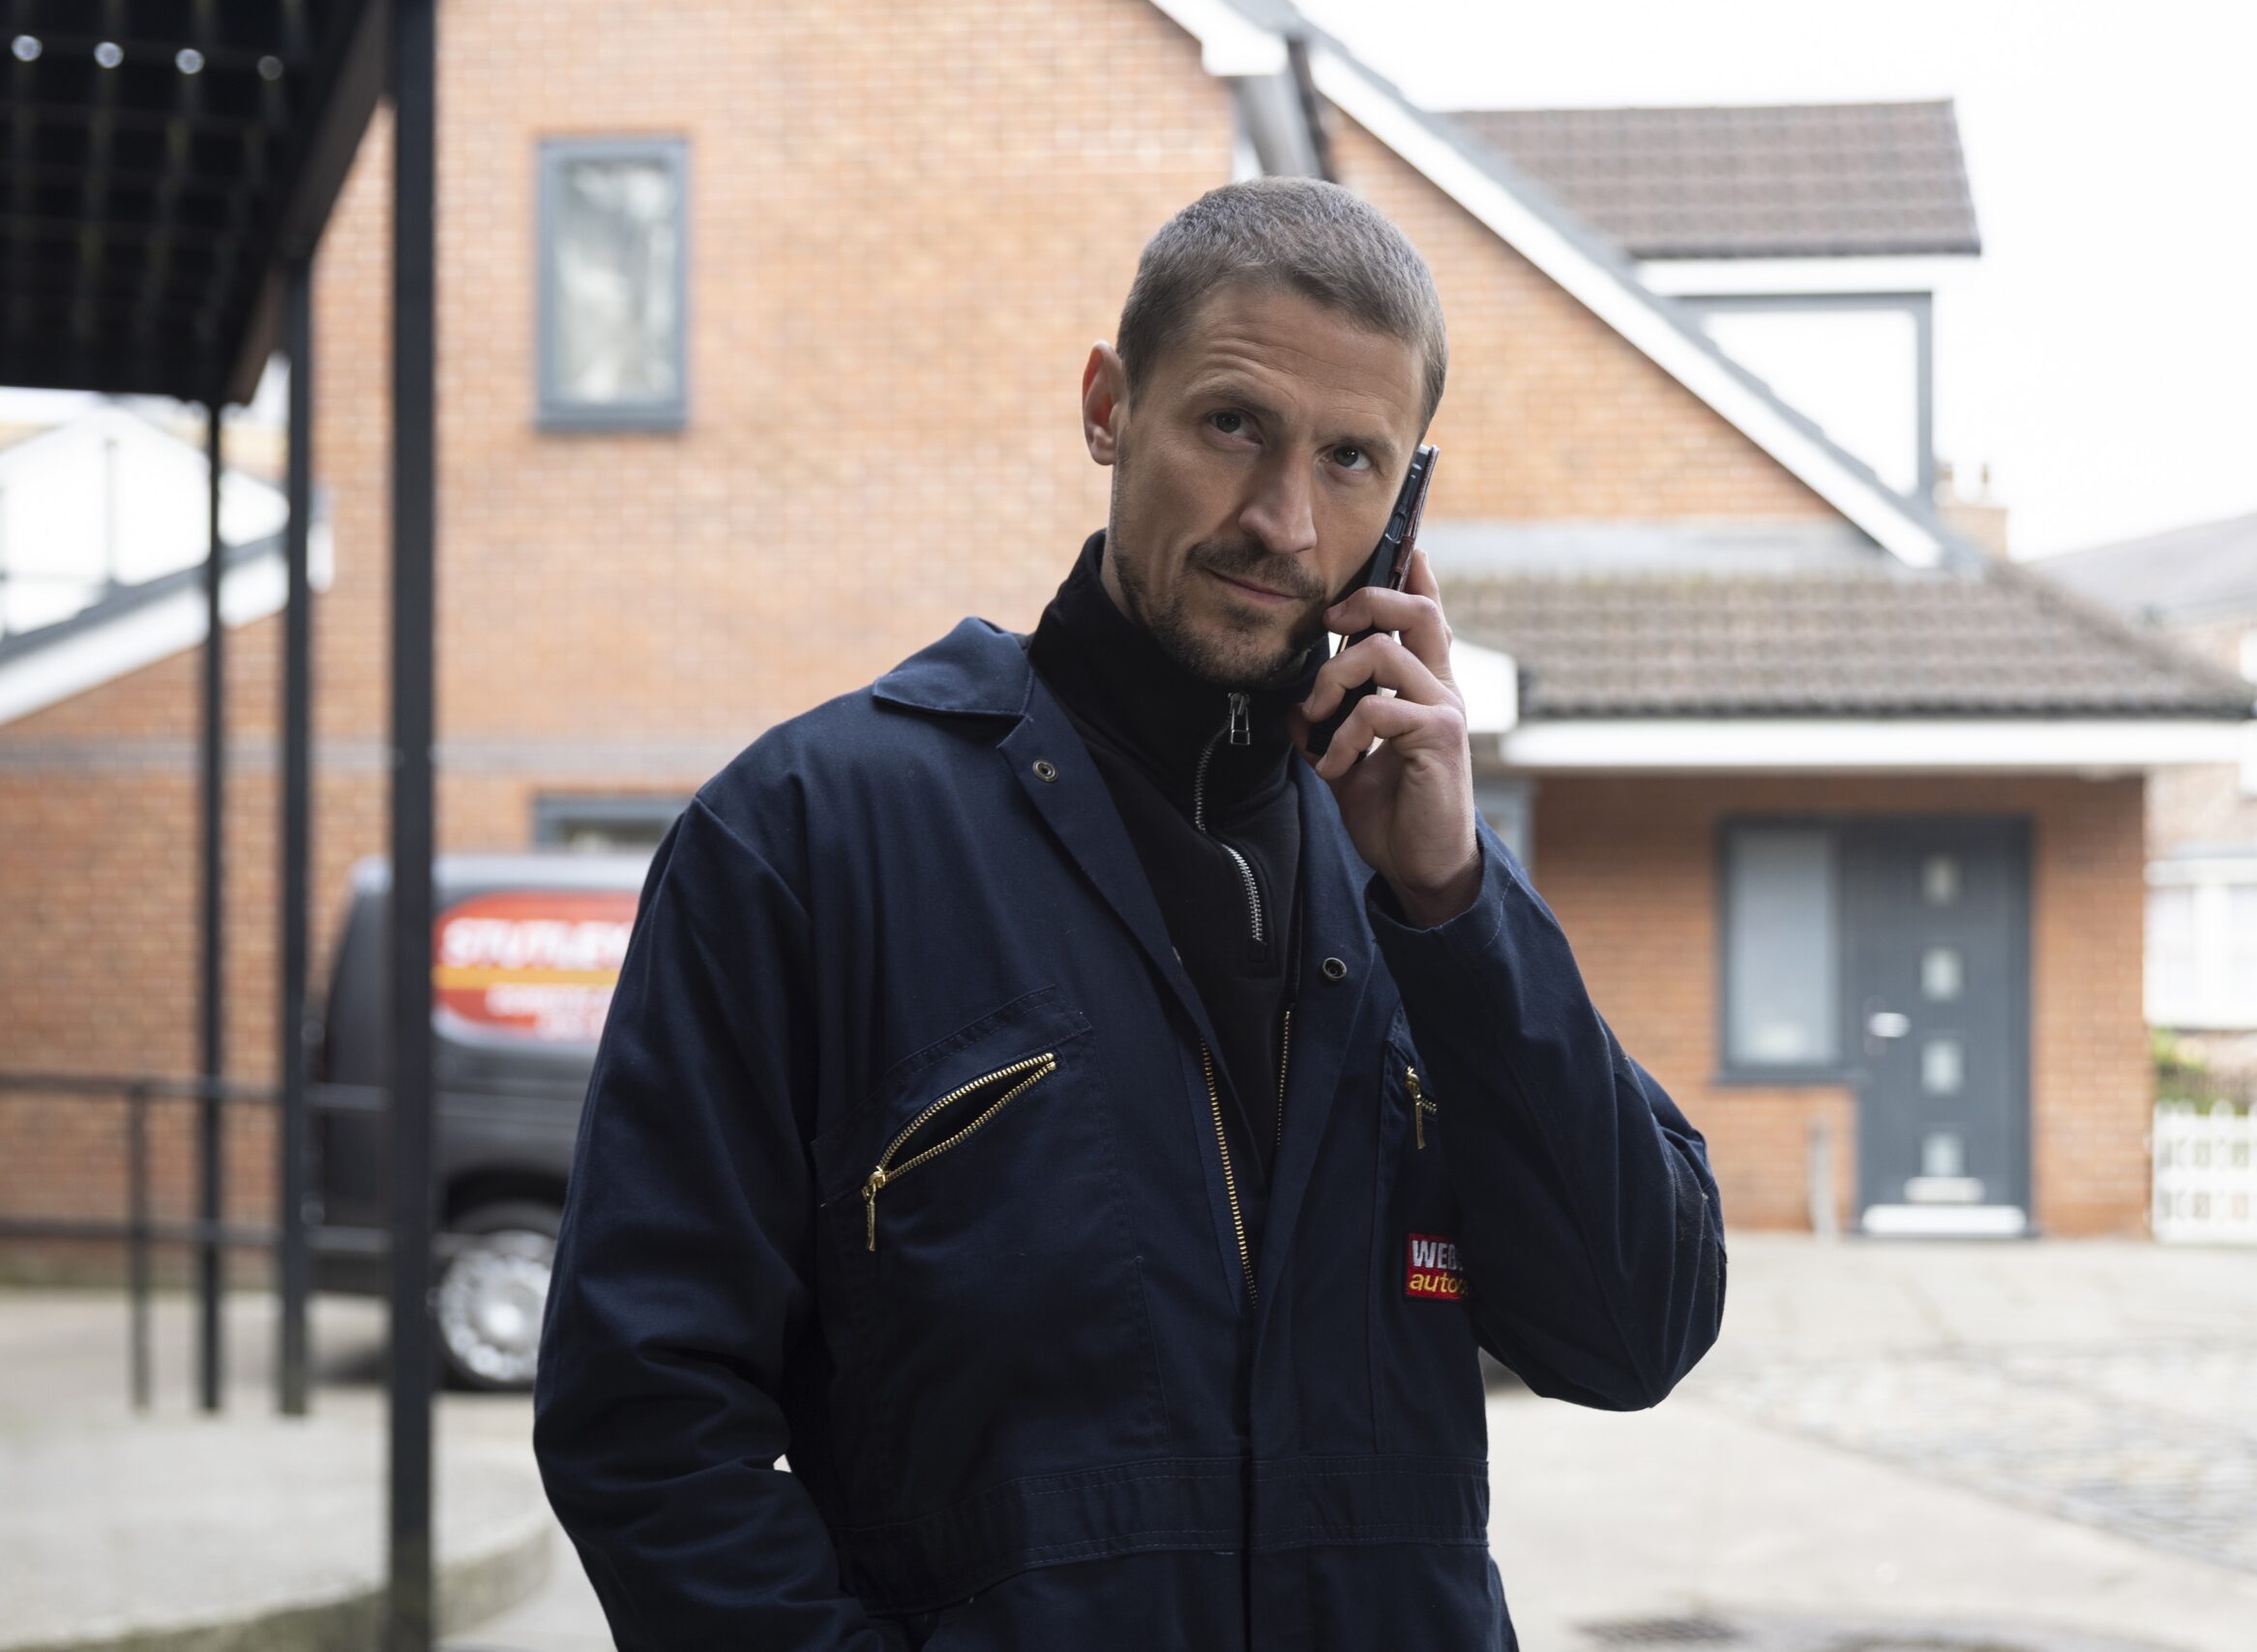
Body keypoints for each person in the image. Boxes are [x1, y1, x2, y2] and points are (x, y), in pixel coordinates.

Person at [532, 176, 1726, 1651]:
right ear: (1109, 407)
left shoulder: (1422, 887)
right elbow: (645, 1419)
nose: (1283, 519)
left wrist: (1455, 902)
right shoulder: (806, 838)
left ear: (1406, 501)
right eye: (1233, 425)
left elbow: (1634, 1332)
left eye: (1351, 459)